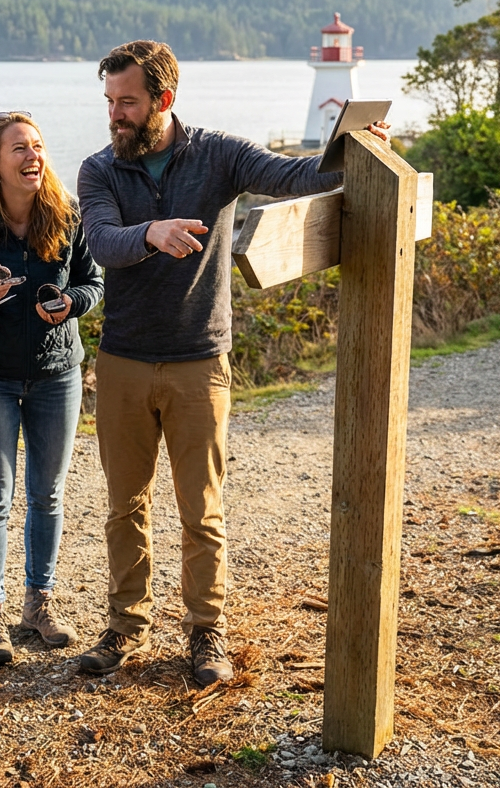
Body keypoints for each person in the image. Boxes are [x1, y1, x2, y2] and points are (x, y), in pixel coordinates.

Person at [75, 40, 390, 685]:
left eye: (127, 102)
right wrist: (150, 234)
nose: (115, 114)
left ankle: (205, 634)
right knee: (124, 505)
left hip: (199, 362)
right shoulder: (98, 170)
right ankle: (127, 627)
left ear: (164, 100)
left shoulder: (218, 154)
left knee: (202, 508)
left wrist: (357, 148)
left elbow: (296, 176)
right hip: (124, 363)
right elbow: (101, 240)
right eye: (109, 102)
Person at [0, 112, 103, 665]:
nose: (31, 156)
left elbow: (93, 282)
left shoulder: (66, 217)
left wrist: (72, 306)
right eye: (18, 148)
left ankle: (38, 603)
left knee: (48, 494)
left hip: (57, 375)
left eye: (37, 146)